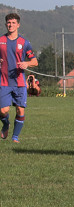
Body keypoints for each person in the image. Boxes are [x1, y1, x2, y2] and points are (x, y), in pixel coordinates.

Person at [0, 13, 38, 143]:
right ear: (6, 24)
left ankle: (15, 137)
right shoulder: (0, 41)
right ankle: (5, 124)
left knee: (20, 110)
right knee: (3, 111)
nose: (10, 25)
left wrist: (27, 63)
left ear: (18, 25)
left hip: (20, 83)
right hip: (4, 81)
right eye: (8, 23)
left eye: (13, 23)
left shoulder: (24, 43)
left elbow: (35, 61)